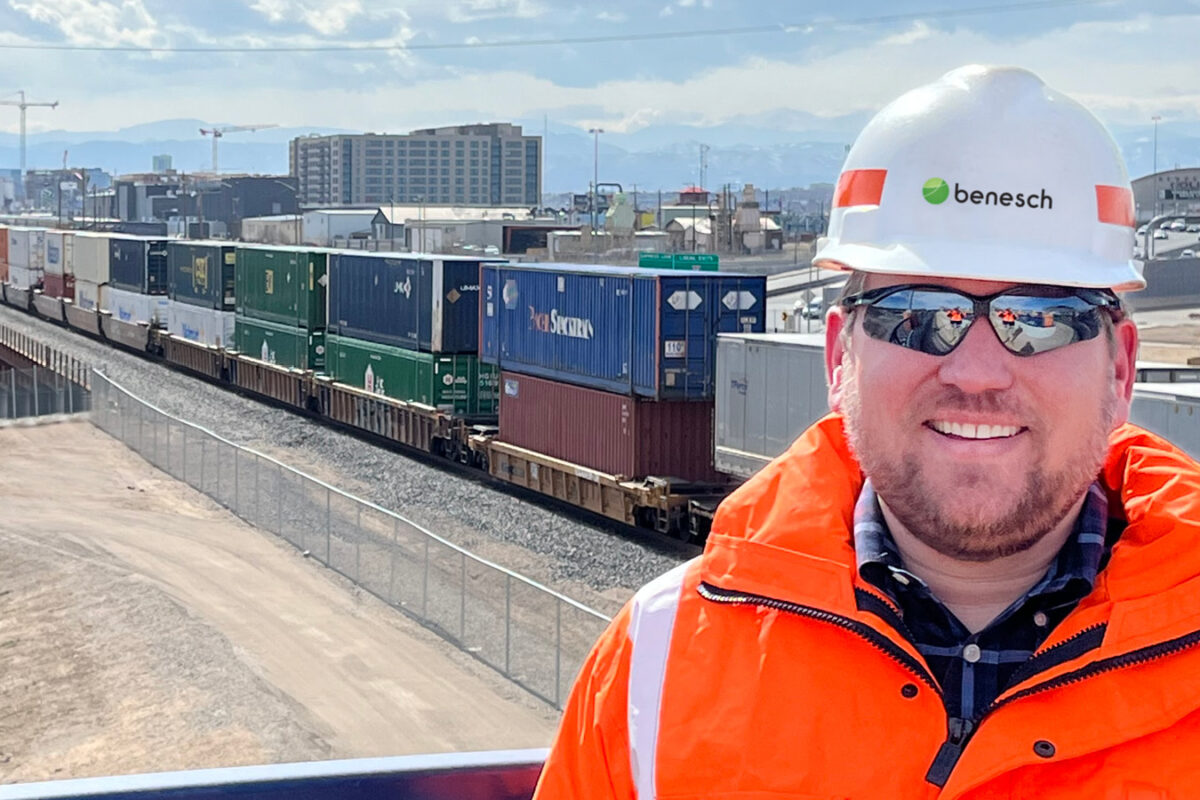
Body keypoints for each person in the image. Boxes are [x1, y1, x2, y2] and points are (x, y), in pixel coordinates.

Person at [534, 64, 1200, 798]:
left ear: (1121, 370)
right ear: (837, 357)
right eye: (917, 312)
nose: (976, 372)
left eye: (1042, 318)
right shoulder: (654, 673)